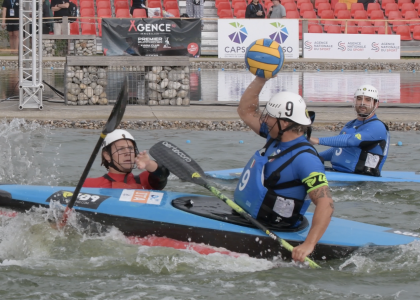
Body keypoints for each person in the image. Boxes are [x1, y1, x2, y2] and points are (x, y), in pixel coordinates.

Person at [235, 77, 334, 263]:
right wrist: (261, 78)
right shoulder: (275, 136)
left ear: (285, 123)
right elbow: (245, 111)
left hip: (277, 228)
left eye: (269, 116)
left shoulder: (306, 160)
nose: (264, 118)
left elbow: (326, 203)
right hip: (251, 217)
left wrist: (309, 244)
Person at [309, 85, 390, 177]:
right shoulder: (350, 124)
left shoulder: (377, 126)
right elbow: (338, 151)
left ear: (376, 104)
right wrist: (315, 157)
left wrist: (317, 140)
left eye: (368, 100)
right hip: (340, 172)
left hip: (364, 182)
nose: (362, 103)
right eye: (359, 99)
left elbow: (352, 140)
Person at [83, 129, 169, 189]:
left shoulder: (144, 181)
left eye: (131, 148)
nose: (128, 153)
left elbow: (162, 174)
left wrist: (148, 164)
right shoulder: (89, 184)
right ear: (107, 155)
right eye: (120, 149)